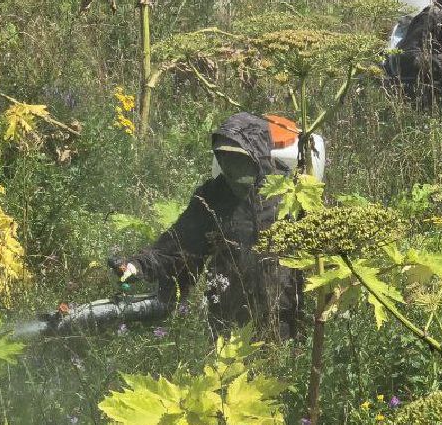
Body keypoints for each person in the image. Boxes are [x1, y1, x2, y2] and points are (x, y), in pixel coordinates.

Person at [109, 113, 306, 340]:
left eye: (239, 160)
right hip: (228, 324)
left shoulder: (292, 191)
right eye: (225, 159)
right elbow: (178, 245)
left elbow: (323, 253)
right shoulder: (213, 197)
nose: (232, 169)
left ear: (258, 156)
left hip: (284, 321)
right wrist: (138, 266)